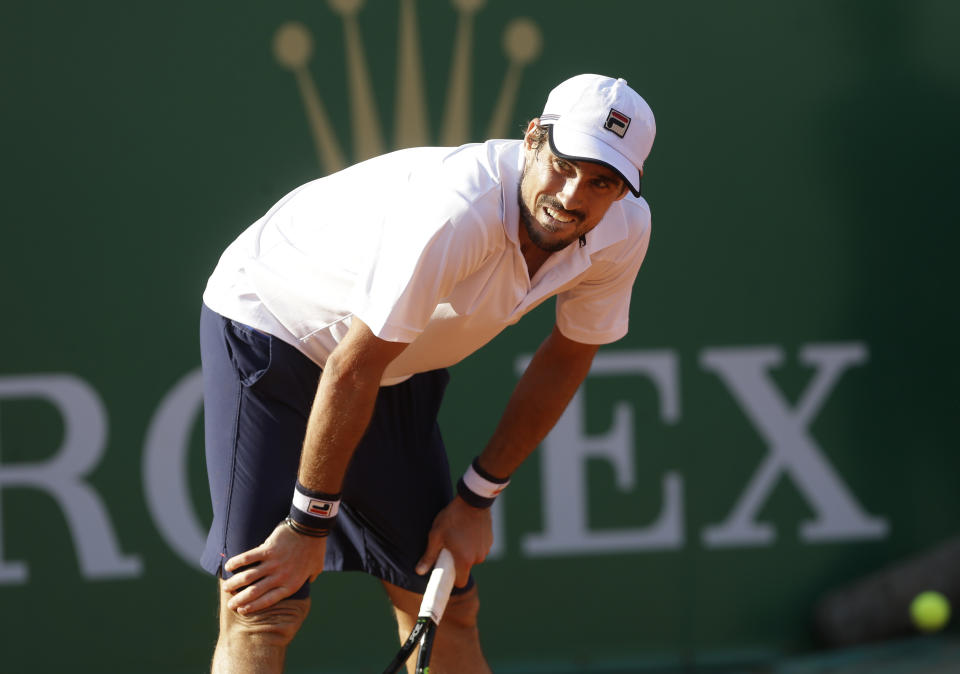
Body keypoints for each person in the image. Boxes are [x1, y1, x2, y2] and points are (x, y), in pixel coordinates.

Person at [199, 73, 656, 673]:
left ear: (623, 192)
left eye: (601, 182)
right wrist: (307, 523)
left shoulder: (623, 233)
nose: (572, 195)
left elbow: (568, 356)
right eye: (564, 164)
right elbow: (351, 367)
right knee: (263, 609)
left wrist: (476, 499)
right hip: (276, 324)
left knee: (444, 606)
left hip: (387, 359)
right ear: (532, 140)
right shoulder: (457, 211)